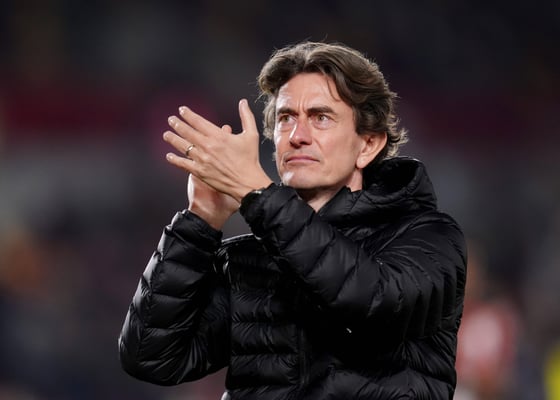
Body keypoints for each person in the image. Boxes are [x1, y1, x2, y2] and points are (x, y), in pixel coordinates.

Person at [118, 41, 467, 399]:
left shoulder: (428, 236)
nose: (298, 137)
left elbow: (374, 303)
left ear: (368, 145)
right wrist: (200, 220)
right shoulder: (252, 259)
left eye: (321, 118)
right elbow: (151, 357)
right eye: (286, 119)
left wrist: (258, 194)